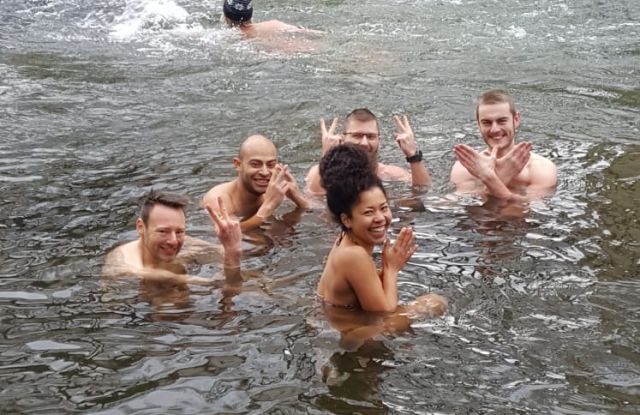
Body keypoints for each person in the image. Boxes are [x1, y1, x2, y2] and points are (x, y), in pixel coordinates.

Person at [317, 144, 446, 349]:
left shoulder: (344, 239)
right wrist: (391, 269)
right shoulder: (354, 254)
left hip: (341, 327)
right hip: (355, 336)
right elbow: (384, 312)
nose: (380, 218)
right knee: (435, 302)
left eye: (384, 208)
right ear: (347, 219)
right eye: (368, 212)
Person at [103, 191, 241, 285]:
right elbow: (134, 273)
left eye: (180, 231)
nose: (173, 241)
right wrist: (190, 280)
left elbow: (221, 254)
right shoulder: (123, 261)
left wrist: (231, 246)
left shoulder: (184, 241)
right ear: (140, 227)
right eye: (163, 231)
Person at [451, 89, 557, 200]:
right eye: (486, 123)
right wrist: (499, 177)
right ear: (478, 124)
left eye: (502, 121)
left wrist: (488, 178)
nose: (495, 129)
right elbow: (461, 210)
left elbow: (523, 213)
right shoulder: (464, 168)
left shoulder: (541, 169)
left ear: (516, 120)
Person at [305, 108, 432, 194]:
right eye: (357, 136)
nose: (364, 143)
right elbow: (316, 202)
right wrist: (327, 156)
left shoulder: (391, 174)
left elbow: (423, 192)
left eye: (371, 136)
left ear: (379, 140)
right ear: (342, 139)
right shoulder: (318, 171)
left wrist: (412, 155)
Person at [202, 134, 309, 232]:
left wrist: (299, 199)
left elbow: (316, 214)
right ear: (238, 164)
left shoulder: (275, 190)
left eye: (271, 165)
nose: (265, 172)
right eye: (255, 164)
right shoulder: (219, 199)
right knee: (258, 243)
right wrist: (268, 207)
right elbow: (228, 234)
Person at [221, 0, 322, 46]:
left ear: (225, 16)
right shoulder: (273, 25)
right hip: (311, 49)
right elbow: (312, 33)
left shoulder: (228, 38)